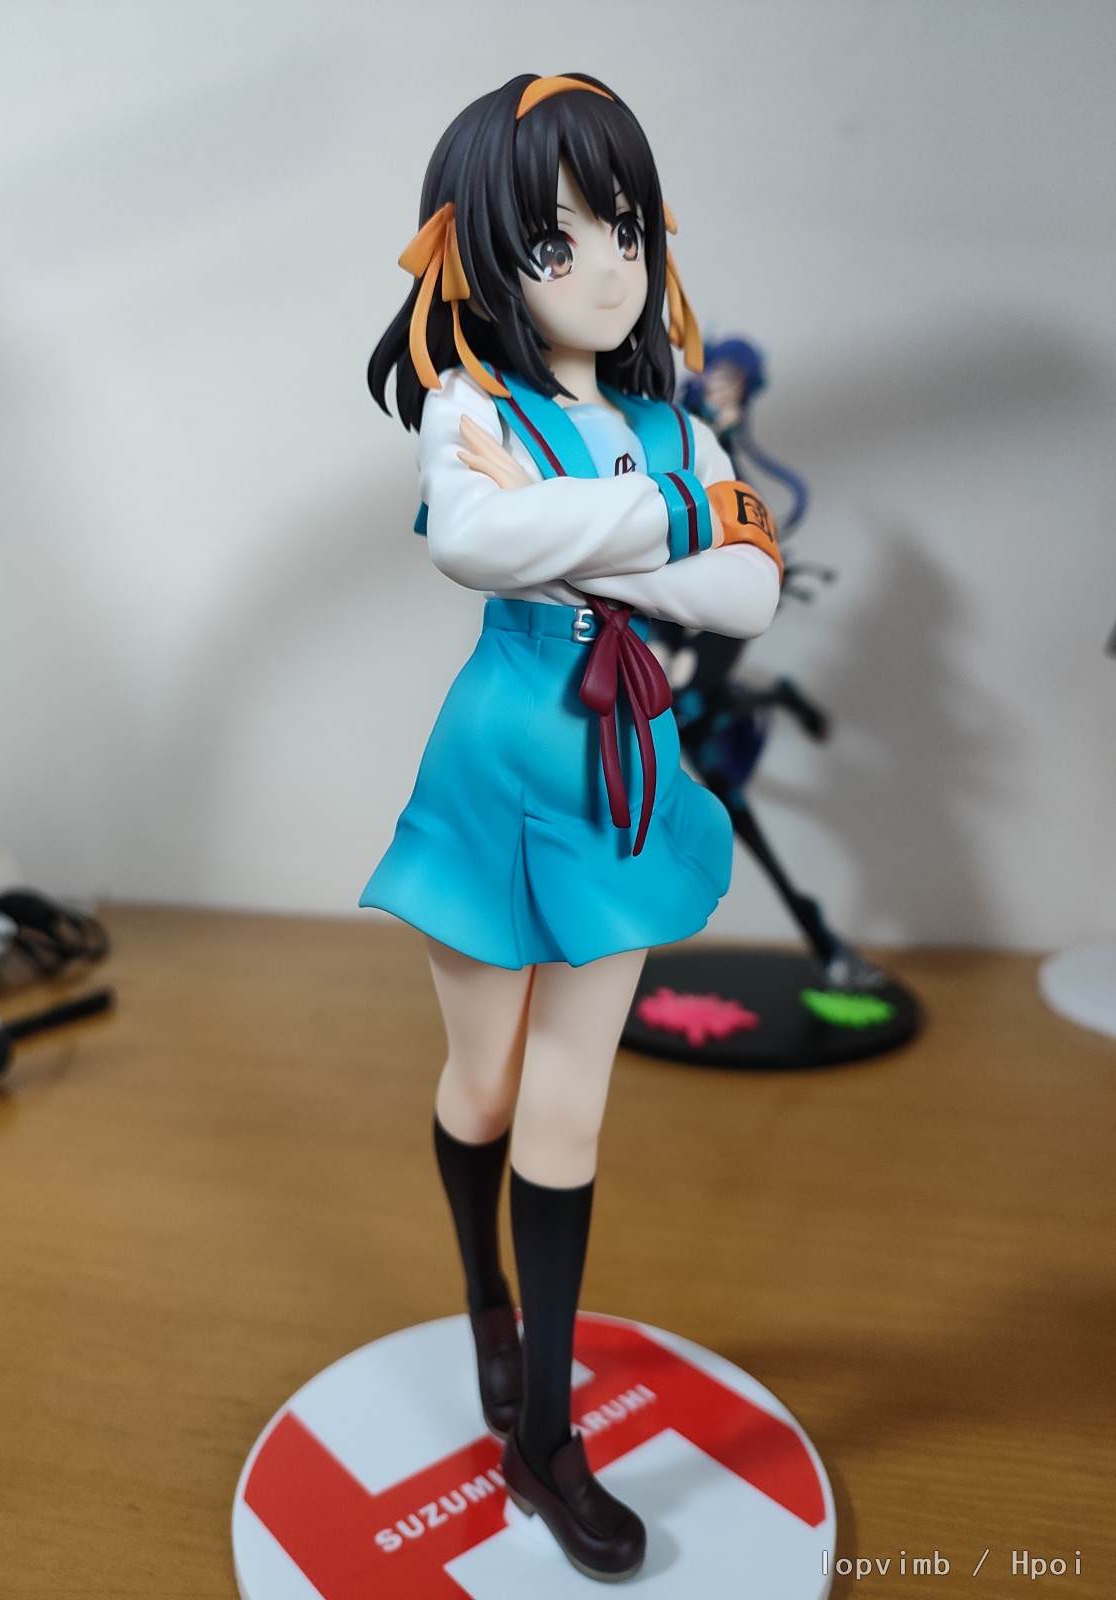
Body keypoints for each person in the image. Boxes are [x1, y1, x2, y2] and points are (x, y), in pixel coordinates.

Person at [361, 72, 781, 1582]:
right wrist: (678, 518)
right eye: (556, 241)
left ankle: (546, 1438)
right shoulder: (473, 408)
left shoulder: (672, 421)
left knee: (568, 1108)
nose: (607, 268)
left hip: (622, 772)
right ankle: (485, 1295)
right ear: (484, 257)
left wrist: (603, 533)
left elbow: (750, 593)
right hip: (498, 762)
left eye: (626, 230)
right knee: (483, 1084)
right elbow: (474, 546)